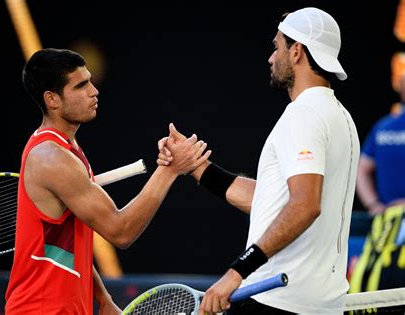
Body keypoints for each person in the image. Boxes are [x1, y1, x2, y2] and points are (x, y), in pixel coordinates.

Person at [158, 7, 359, 314]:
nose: (270, 57)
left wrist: (237, 272)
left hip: (278, 301)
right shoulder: (339, 117)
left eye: (276, 47)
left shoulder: (304, 114)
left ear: (296, 52)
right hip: (317, 304)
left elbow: (304, 205)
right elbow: (274, 202)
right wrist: (196, 167)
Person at [4, 48, 211, 314]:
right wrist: (169, 171)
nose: (94, 91)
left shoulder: (67, 148)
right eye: (80, 86)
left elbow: (64, 246)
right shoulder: (52, 158)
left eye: (90, 80)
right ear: (52, 99)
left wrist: (102, 299)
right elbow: (120, 231)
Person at [356, 74, 405, 216]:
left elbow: (361, 169)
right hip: (388, 217)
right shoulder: (383, 127)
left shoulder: (383, 127)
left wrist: (373, 205)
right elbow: (362, 169)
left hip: (388, 218)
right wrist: (373, 205)